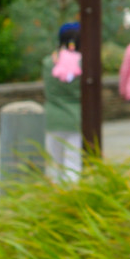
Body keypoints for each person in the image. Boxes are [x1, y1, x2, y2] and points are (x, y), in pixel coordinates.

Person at [43, 22, 84, 182]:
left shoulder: (48, 63)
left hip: (53, 119)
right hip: (76, 119)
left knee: (55, 166)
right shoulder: (84, 63)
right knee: (73, 164)